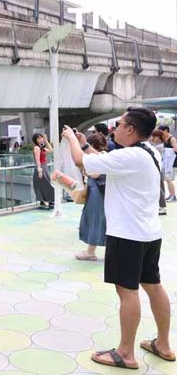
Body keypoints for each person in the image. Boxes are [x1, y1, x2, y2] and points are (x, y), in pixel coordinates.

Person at [62, 108, 174, 370]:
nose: (115, 128)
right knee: (154, 285)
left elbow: (82, 162)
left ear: (131, 130)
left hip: (127, 235)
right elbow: (101, 161)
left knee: (127, 291)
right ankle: (164, 345)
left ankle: (126, 353)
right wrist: (85, 144)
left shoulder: (130, 156)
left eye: (120, 124)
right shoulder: (149, 152)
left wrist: (69, 138)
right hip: (149, 233)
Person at [74, 134, 107, 261]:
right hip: (97, 192)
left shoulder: (100, 156)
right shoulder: (105, 156)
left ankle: (90, 252)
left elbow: (95, 174)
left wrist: (85, 168)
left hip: (97, 194)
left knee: (95, 220)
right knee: (100, 221)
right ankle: (93, 250)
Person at [32, 133, 54, 209]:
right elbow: (37, 160)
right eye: (38, 138)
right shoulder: (37, 148)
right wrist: (39, 170)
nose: (40, 139)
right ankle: (45, 201)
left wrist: (46, 141)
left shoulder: (42, 148)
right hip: (40, 167)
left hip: (44, 167)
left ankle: (49, 201)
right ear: (35, 140)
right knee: (44, 184)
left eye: (41, 138)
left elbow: (51, 150)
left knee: (46, 184)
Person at [151, 130, 168, 215]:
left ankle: (162, 207)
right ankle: (161, 206)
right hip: (158, 169)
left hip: (158, 169)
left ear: (159, 137)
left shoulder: (159, 147)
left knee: (160, 189)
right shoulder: (158, 145)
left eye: (155, 136)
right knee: (159, 188)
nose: (153, 138)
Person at [158, 126, 177, 202]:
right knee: (167, 179)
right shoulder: (164, 139)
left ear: (166, 130)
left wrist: (169, 151)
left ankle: (173, 196)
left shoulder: (172, 138)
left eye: (161, 131)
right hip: (166, 161)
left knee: (169, 179)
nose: (160, 133)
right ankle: (171, 195)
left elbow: (176, 149)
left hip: (171, 162)